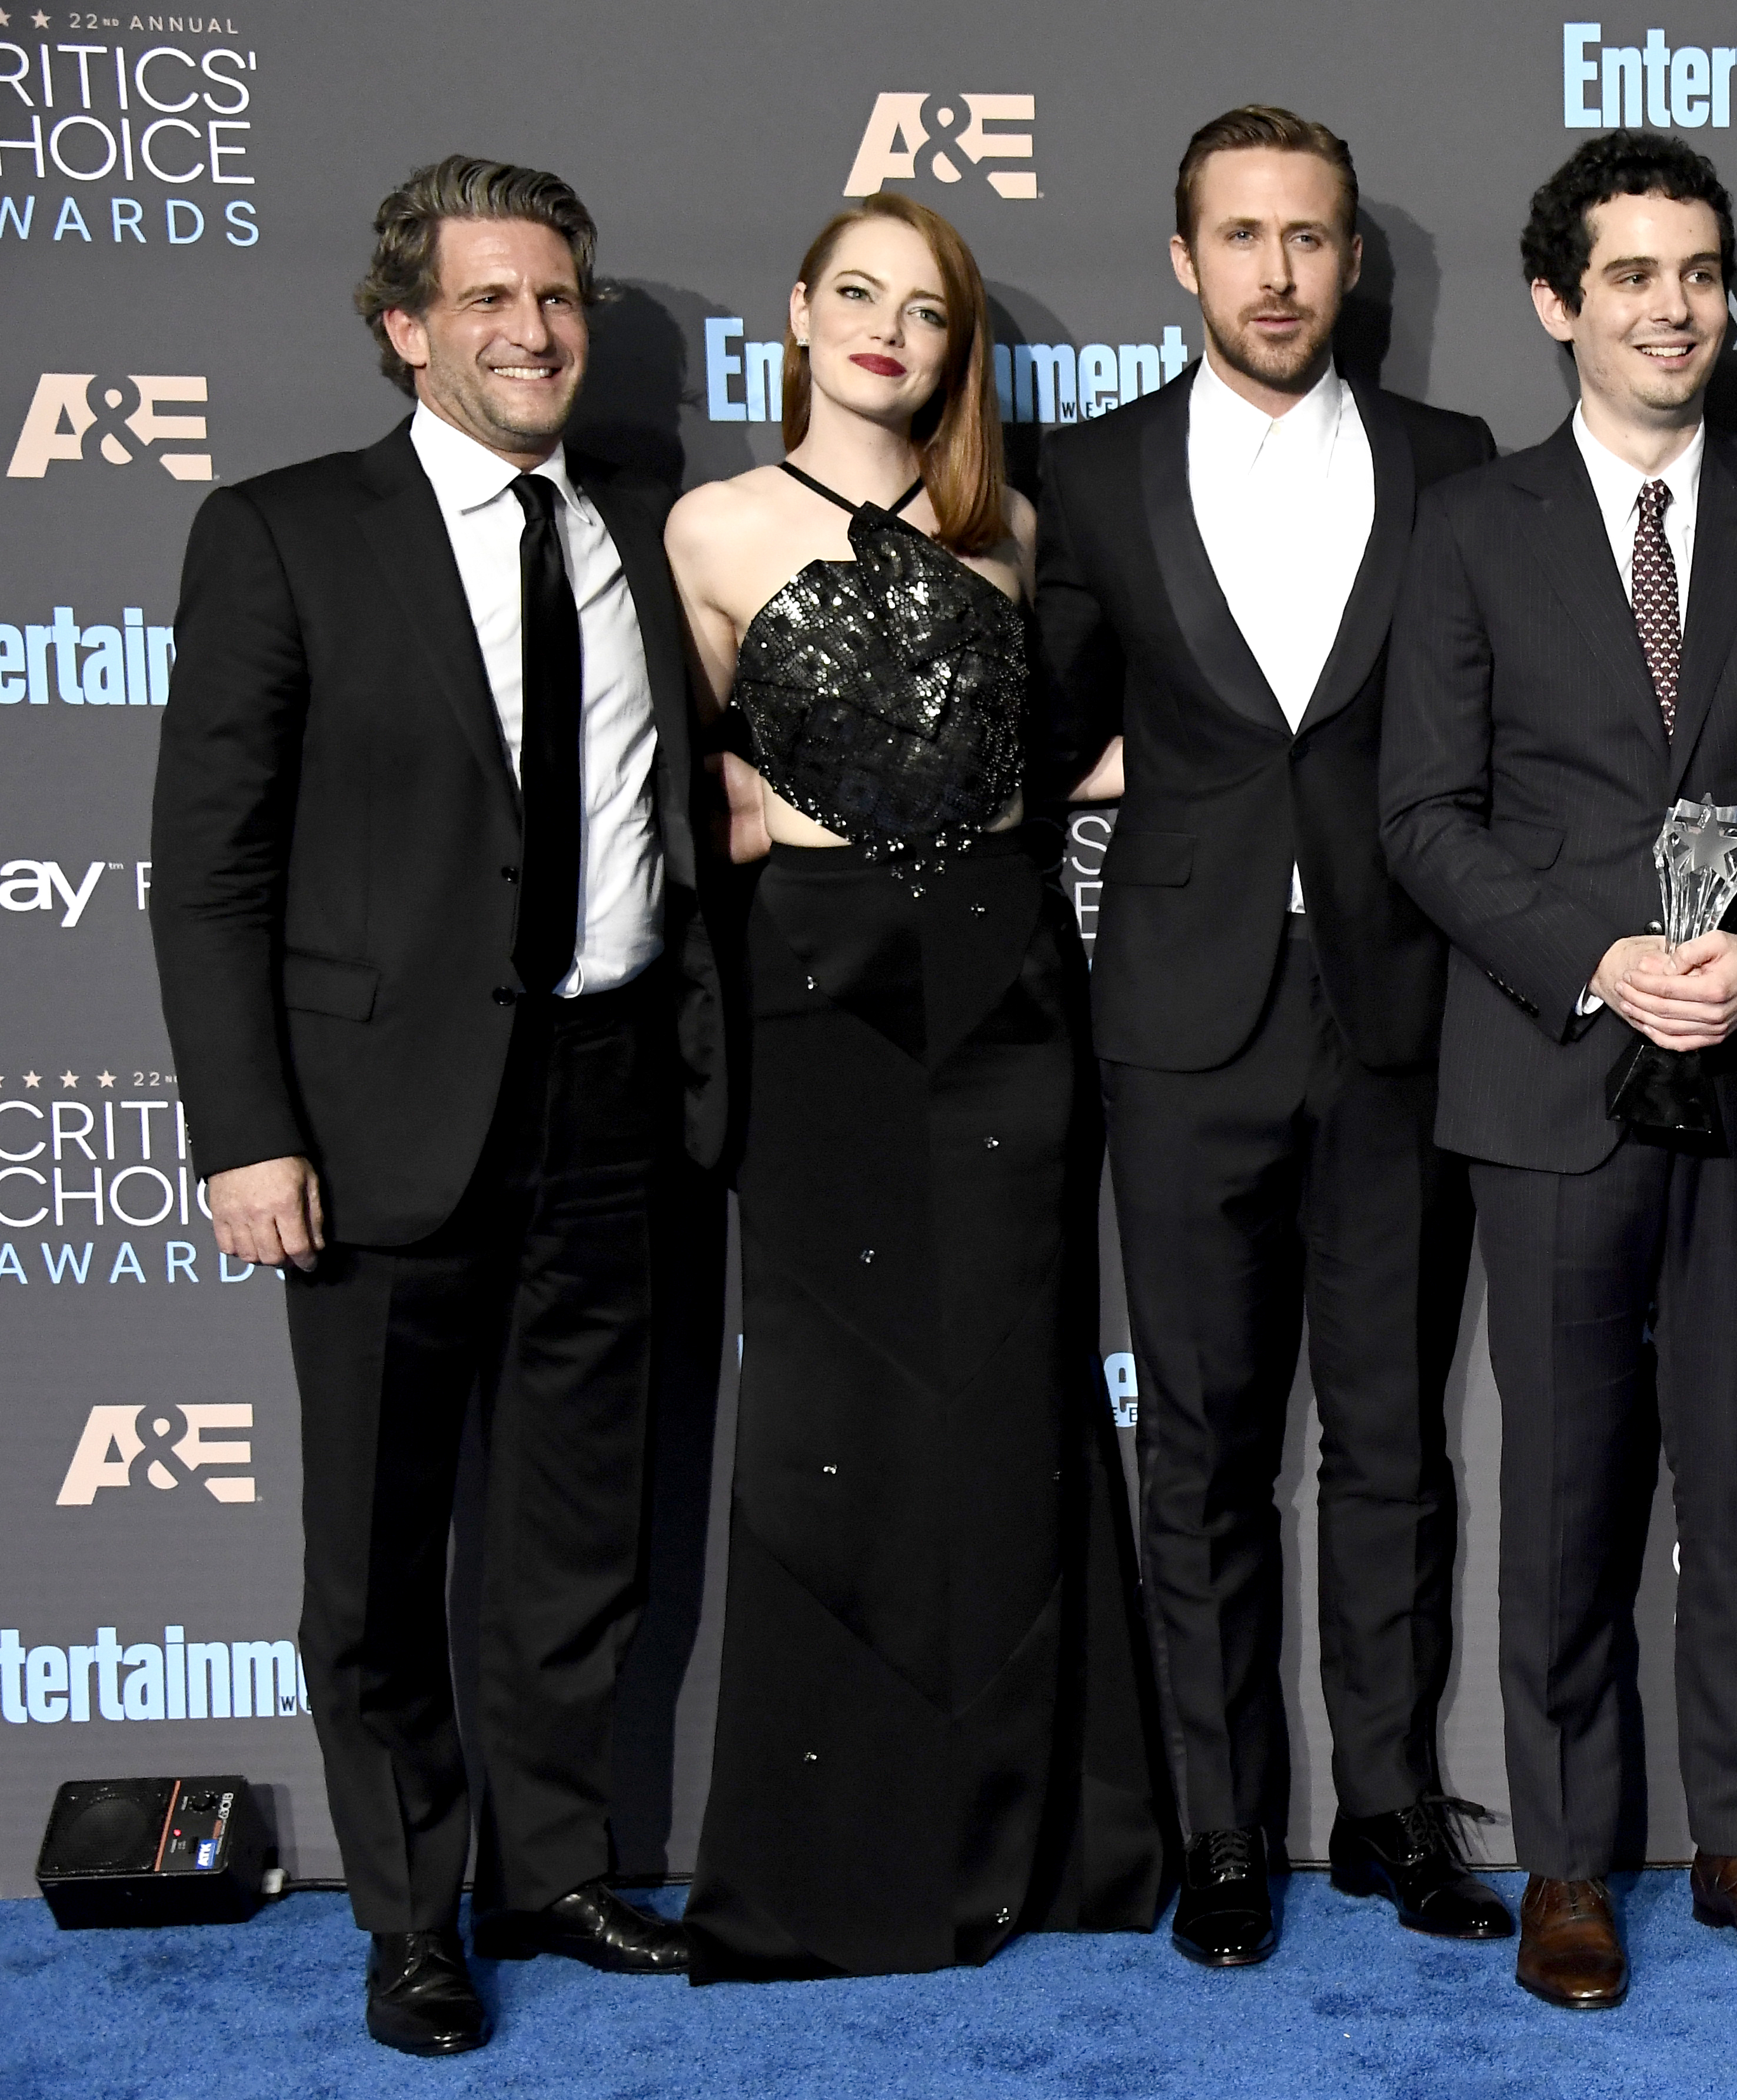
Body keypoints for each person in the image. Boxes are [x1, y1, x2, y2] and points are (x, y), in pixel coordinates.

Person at [149, 157, 721, 2056]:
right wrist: (243, 1130)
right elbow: (208, 872)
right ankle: (412, 1921)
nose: (534, 331)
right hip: (373, 1123)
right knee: (381, 1562)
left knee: (576, 1540)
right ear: (407, 328)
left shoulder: (645, 534)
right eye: (488, 300)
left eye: (556, 296)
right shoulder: (287, 533)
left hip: (614, 1100)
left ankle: (550, 1877)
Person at [1381, 131, 1737, 2011]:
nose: (1672, 308)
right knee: (1566, 1491)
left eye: (1698, 273)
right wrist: (1593, 958)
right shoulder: (1471, 525)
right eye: (1633, 276)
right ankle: (1568, 1867)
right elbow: (1424, 815)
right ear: (1555, 304)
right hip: (1550, 1075)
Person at [664, 190, 1168, 1980]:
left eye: (928, 308)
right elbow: (681, 790)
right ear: (798, 314)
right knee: (826, 1428)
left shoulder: (1013, 529)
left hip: (1005, 1000)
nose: (890, 329)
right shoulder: (707, 528)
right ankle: (836, 1870)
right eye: (858, 294)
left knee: (1008, 1410)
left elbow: (1051, 763)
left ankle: (1044, 1846)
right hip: (814, 1005)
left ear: (960, 348)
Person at [1033, 105, 1506, 1971]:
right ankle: (1222, 1831)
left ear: (1352, 261)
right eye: (1242, 238)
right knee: (1205, 1450)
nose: (1279, 273)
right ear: (1184, 260)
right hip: (1179, 1020)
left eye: (1309, 239)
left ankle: (1389, 1812)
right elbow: (1039, 724)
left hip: (1399, 1013)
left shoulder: (1451, 462)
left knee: (1391, 1446)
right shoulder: (1086, 473)